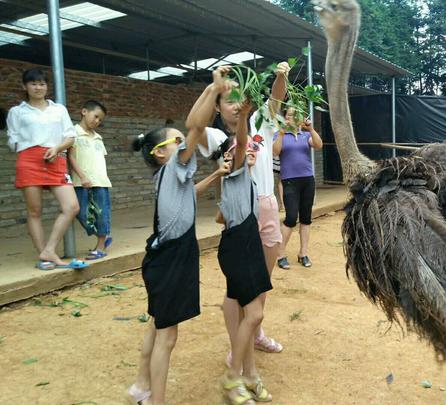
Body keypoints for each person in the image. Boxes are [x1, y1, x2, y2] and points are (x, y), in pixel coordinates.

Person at [126, 76, 230, 405]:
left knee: (158, 326)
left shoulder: (171, 178)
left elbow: (190, 197)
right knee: (167, 337)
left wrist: (215, 174)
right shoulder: (172, 167)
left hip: (166, 257)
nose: (183, 142)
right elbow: (195, 126)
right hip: (171, 260)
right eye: (175, 141)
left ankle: (141, 386)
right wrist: (213, 91)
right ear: (161, 154)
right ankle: (155, 400)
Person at [188, 62, 290, 356]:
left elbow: (277, 98)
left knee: (261, 281)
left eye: (238, 99)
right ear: (218, 108)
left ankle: (255, 333)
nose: (234, 106)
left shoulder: (260, 121)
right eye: (227, 101)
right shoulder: (217, 139)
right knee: (237, 286)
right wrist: (212, 88)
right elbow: (192, 124)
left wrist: (281, 75)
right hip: (239, 213)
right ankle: (237, 346)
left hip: (268, 207)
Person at [5, 68, 87, 270]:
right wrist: (28, 149)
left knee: (72, 207)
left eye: (42, 83)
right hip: (29, 160)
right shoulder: (17, 112)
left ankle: (49, 249)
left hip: (55, 158)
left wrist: (57, 148)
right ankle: (45, 258)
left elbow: (70, 137)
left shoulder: (59, 109)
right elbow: (12, 139)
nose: (38, 87)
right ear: (25, 86)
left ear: (47, 86)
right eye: (33, 83)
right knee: (34, 211)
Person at [272, 108, 323, 269]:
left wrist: (311, 129)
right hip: (289, 181)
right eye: (288, 116)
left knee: (306, 218)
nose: (291, 118)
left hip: (307, 180)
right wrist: (281, 133)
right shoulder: (279, 135)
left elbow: (318, 144)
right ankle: (280, 254)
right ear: (284, 118)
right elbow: (275, 151)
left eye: (295, 116)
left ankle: (303, 253)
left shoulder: (305, 135)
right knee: (291, 217)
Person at [68, 100, 113, 260]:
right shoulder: (73, 132)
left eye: (100, 120)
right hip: (81, 182)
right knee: (81, 213)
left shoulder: (98, 138)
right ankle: (103, 236)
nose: (97, 121)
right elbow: (71, 157)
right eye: (96, 116)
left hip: (100, 182)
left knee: (101, 213)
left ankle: (101, 246)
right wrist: (82, 176)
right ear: (84, 111)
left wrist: (99, 178)